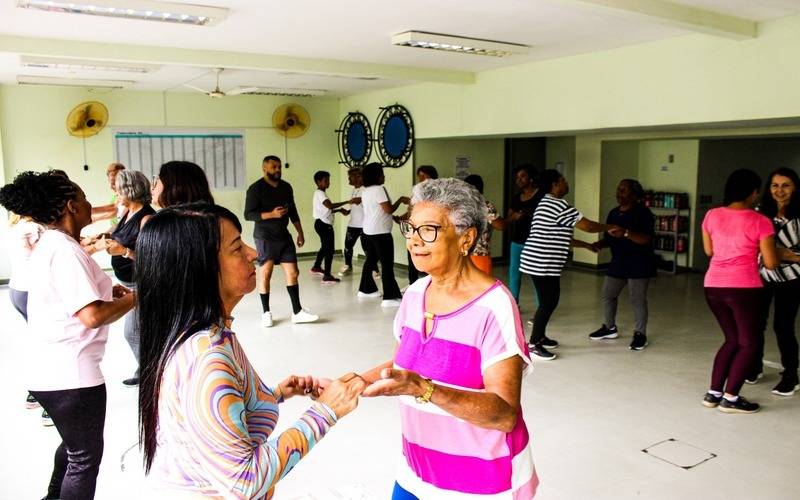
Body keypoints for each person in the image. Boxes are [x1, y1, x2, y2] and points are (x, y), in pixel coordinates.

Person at [135, 203, 367, 498]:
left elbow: (212, 418)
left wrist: (275, 393)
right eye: (236, 248)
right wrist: (326, 411)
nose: (253, 253)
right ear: (201, 268)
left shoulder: (205, 334)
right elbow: (245, 481)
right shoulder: (209, 360)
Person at [361, 178, 538, 499]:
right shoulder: (415, 294)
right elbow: (403, 366)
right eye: (411, 229)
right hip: (416, 469)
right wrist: (353, 383)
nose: (414, 241)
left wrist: (423, 388)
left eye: (428, 230)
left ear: (465, 238)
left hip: (479, 481)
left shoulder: (494, 307)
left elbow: (504, 414)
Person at [0, 171, 135, 500]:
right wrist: (136, 297)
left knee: (74, 447)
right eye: (85, 199)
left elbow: (67, 296)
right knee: (84, 460)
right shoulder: (66, 251)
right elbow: (92, 316)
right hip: (71, 377)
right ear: (72, 207)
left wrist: (107, 291)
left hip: (48, 370)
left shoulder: (54, 244)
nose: (91, 204)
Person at [701, 168, 778, 414]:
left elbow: (709, 252)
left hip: (713, 286)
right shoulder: (760, 221)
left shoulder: (711, 215)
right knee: (749, 343)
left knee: (732, 339)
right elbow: (771, 263)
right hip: (744, 288)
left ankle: (713, 394)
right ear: (754, 192)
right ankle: (731, 398)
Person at [520, 169, 615, 360]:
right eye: (563, 180)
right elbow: (587, 226)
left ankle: (540, 337)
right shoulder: (558, 205)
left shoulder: (546, 203)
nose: (566, 183)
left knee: (549, 300)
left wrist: (586, 246)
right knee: (549, 301)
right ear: (555, 185)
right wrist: (609, 227)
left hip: (539, 261)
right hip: (542, 262)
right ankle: (534, 343)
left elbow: (562, 237)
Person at [244, 155, 318, 327]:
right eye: (273, 167)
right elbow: (248, 214)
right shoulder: (255, 189)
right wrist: (271, 214)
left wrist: (300, 232)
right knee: (266, 273)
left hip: (284, 236)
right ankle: (266, 313)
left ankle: (297, 311)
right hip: (265, 236)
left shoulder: (286, 187)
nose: (277, 170)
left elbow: (293, 211)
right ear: (264, 169)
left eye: (279, 167)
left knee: (293, 273)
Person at [588, 179, 656, 351]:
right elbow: (610, 238)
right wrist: (599, 244)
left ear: (634, 194)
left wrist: (625, 233)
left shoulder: (643, 213)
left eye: (624, 190)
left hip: (639, 263)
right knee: (608, 294)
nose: (619, 193)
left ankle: (640, 334)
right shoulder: (613, 213)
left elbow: (646, 238)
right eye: (618, 190)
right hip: (618, 262)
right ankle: (609, 328)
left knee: (637, 299)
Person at [103, 170, 155, 386]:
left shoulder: (147, 217)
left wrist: (124, 252)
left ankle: (151, 374)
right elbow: (114, 235)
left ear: (128, 190)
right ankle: (146, 371)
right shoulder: (126, 212)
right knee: (138, 331)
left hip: (140, 282)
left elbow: (151, 257)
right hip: (127, 282)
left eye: (117, 188)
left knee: (132, 332)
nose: (115, 192)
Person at [751, 167, 800, 396]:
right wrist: (782, 254)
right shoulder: (761, 213)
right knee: (756, 323)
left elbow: (772, 250)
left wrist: (789, 255)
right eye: (775, 185)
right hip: (763, 276)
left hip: (792, 279)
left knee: (783, 326)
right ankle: (755, 366)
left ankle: (791, 375)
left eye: (786, 185)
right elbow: (753, 246)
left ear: (795, 187)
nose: (779, 191)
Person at [6, 211, 50, 422]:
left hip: (17, 289)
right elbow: (46, 257)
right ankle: (43, 396)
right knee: (46, 343)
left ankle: (36, 393)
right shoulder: (32, 228)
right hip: (29, 290)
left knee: (38, 341)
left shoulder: (17, 224)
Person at [357, 162, 409, 307]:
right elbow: (388, 209)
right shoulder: (379, 189)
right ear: (377, 177)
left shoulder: (365, 191)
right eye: (382, 174)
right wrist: (401, 200)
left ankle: (365, 289)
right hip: (381, 233)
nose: (383, 176)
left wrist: (395, 218)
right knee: (386, 264)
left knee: (370, 261)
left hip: (368, 231)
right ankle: (390, 297)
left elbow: (377, 211)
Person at [310, 170, 352, 284]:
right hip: (324, 225)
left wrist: (339, 210)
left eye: (328, 180)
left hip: (321, 223)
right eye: (326, 180)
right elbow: (329, 205)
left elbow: (327, 209)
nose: (328, 182)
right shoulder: (320, 193)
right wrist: (348, 201)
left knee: (325, 247)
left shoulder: (320, 193)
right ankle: (327, 276)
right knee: (329, 250)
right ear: (318, 182)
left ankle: (316, 266)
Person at [402, 165, 439, 286]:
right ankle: (412, 282)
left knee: (431, 254)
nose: (421, 178)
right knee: (412, 253)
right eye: (420, 176)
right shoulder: (416, 190)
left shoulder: (437, 190)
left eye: (424, 175)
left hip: (429, 228)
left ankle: (432, 282)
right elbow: (413, 208)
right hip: (414, 227)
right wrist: (405, 218)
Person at [464, 174, 503, 275]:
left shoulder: (461, 206)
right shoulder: (485, 206)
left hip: (462, 253)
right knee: (482, 287)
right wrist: (512, 219)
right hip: (480, 255)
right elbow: (500, 225)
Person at [339, 167, 374, 277]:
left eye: (351, 177)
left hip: (364, 226)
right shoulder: (354, 190)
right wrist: (348, 211)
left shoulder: (365, 190)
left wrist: (362, 200)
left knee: (367, 249)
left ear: (359, 177)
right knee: (347, 246)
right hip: (352, 224)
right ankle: (348, 266)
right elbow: (357, 207)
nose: (349, 179)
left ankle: (374, 269)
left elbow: (371, 205)